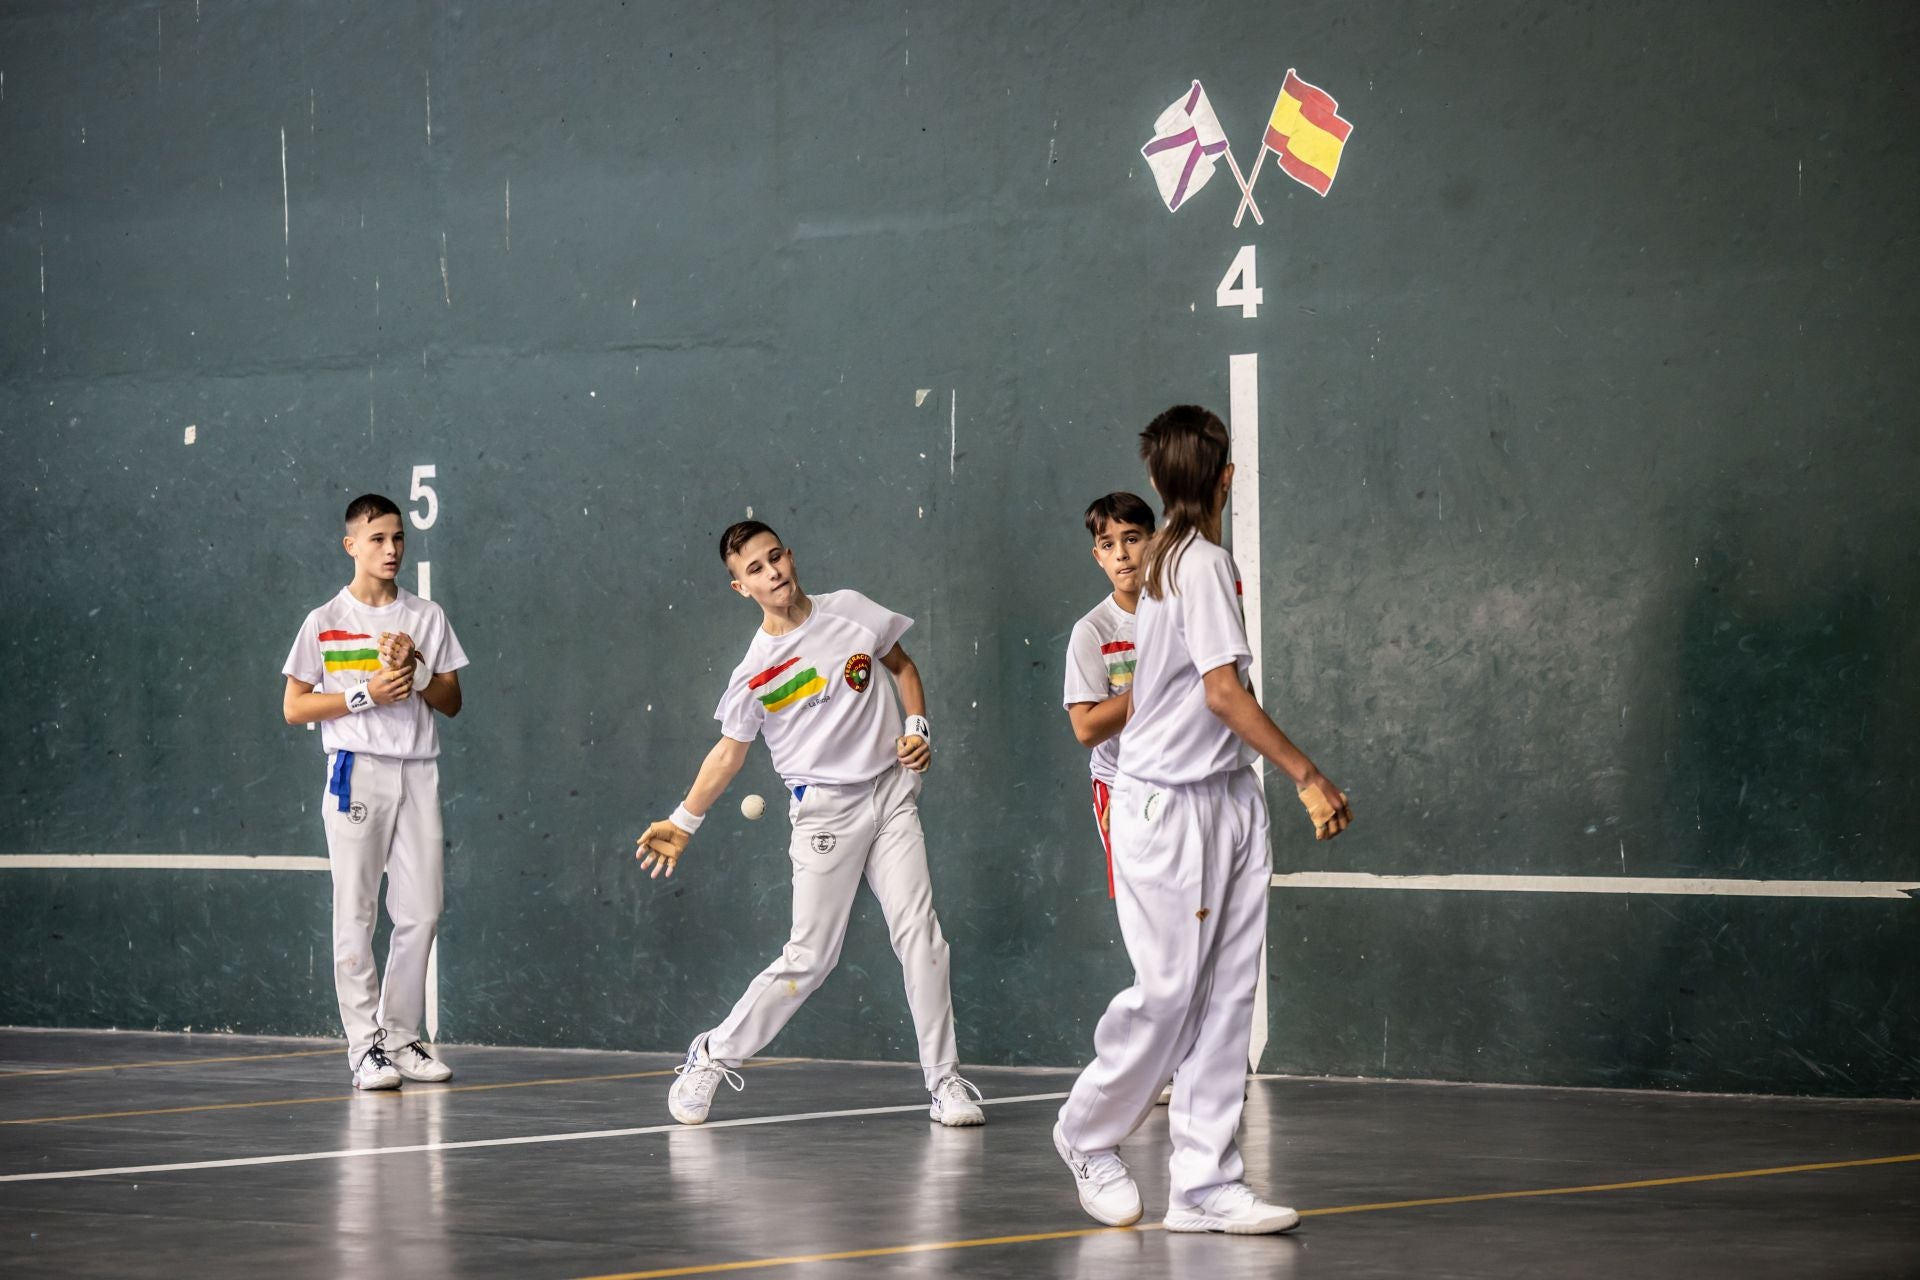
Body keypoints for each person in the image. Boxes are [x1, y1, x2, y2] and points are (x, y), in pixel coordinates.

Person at [1053, 406, 1352, 1234]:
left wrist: (1263, 779)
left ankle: (1204, 1183)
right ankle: (1086, 1134)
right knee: (1171, 993)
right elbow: (1223, 690)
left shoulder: (1171, 565)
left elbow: (1208, 695)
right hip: (1167, 804)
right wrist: (1308, 774)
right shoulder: (1197, 562)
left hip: (1226, 798)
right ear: (1226, 477)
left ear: (1157, 483)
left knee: (1227, 998)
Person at [635, 521, 986, 1128]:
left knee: (921, 936)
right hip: (825, 814)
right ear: (739, 587)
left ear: (791, 556)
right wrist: (683, 821)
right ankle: (712, 1055)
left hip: (891, 794)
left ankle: (946, 1082)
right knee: (811, 958)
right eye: (755, 570)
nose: (773, 574)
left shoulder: (851, 612)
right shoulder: (754, 671)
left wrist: (917, 727)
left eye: (776, 558)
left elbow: (902, 668)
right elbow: (729, 753)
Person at [282, 493, 468, 1091]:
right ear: (351, 545)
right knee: (356, 910)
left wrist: (413, 674)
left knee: (422, 910)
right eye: (379, 539)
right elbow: (294, 706)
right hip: (355, 769)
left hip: (418, 770)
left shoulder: (426, 617)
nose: (391, 550)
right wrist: (365, 694)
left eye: (398, 540)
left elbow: (452, 700)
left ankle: (401, 1034)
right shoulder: (324, 621)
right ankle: (364, 1047)